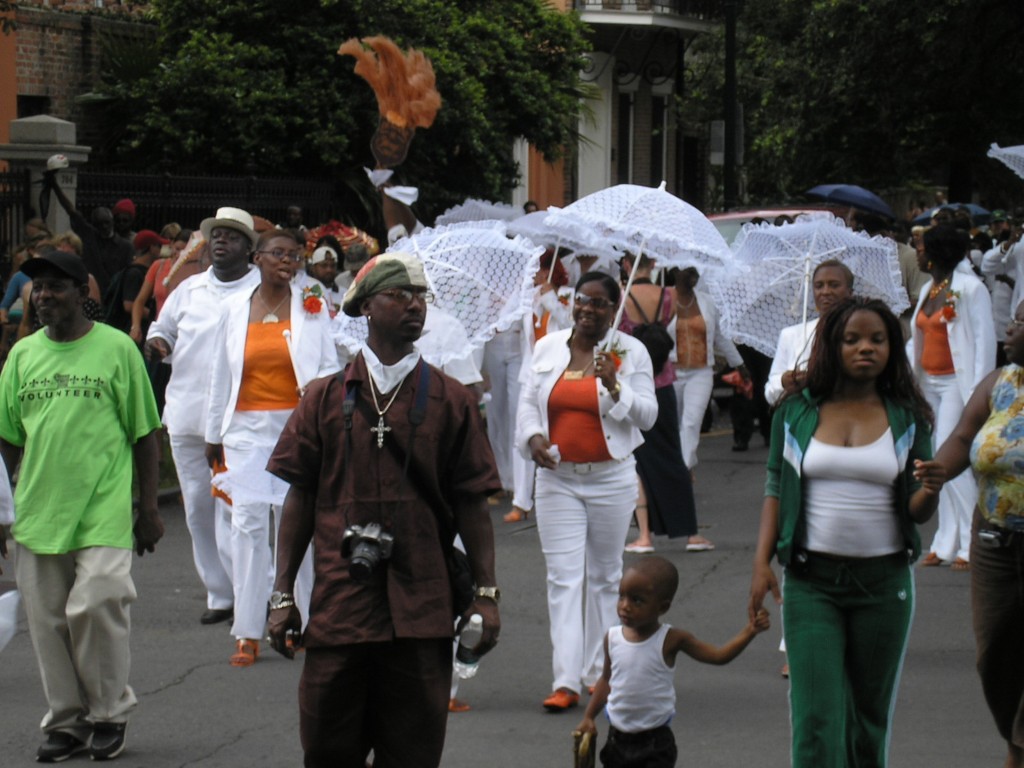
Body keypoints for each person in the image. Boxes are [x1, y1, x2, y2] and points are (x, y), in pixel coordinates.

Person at [265, 251, 501, 768]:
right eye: (400, 296)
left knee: (413, 754)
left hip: (423, 609)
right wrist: (282, 592)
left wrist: (485, 594)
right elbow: (299, 496)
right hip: (339, 608)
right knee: (327, 748)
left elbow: (472, 503)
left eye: (421, 298)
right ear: (367, 307)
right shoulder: (326, 398)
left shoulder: (451, 399)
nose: (415, 307)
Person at [749, 296, 945, 768]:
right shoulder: (794, 412)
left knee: (868, 717)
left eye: (878, 340)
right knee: (816, 717)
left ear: (892, 350)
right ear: (830, 346)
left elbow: (916, 512)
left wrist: (932, 489)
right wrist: (760, 563)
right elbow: (776, 482)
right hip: (811, 583)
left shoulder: (908, 416)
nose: (865, 349)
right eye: (852, 339)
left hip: (884, 584)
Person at [0, 248, 163, 762]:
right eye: (37, 287)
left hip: (103, 508)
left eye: (55, 287)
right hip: (38, 510)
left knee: (96, 603)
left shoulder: (117, 349)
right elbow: (6, 441)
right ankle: (67, 722)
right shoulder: (22, 356)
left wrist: (150, 508)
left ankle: (109, 713)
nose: (43, 296)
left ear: (82, 293)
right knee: (48, 623)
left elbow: (145, 432)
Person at [517, 272, 657, 711]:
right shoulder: (547, 347)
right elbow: (526, 403)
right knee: (563, 579)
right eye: (583, 300)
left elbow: (648, 417)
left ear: (614, 311)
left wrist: (616, 385)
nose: (588, 310)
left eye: (599, 304)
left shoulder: (630, 353)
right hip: (558, 480)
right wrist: (534, 437)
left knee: (604, 578)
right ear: (573, 303)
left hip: (610, 479)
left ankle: (600, 675)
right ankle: (565, 682)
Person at [204, 228, 339, 666]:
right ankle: (247, 630)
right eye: (278, 253)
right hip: (244, 428)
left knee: (295, 522)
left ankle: (300, 618)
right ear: (257, 258)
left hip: (295, 426)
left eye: (294, 255)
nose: (287, 261)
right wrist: (213, 435)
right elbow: (219, 376)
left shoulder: (312, 305)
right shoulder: (233, 308)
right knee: (247, 524)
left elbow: (329, 365)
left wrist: (315, 398)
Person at [145, 207, 262, 625]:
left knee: (236, 506)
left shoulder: (262, 291)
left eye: (231, 236)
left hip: (238, 417)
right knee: (196, 505)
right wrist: (157, 343)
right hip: (186, 412)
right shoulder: (190, 289)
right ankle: (219, 593)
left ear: (249, 248)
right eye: (216, 235)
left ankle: (249, 591)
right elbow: (164, 328)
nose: (220, 242)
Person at [931, 299, 1024, 768]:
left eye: (1022, 322)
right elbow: (964, 440)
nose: (1012, 327)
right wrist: (932, 474)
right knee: (994, 653)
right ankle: (1015, 740)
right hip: (993, 537)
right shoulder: (999, 383)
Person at [576, 557, 770, 768]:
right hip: (617, 740)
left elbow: (718, 656)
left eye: (637, 600)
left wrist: (750, 631)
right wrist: (589, 717)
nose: (625, 606)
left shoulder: (671, 640)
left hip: (655, 744)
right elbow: (606, 680)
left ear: (663, 607)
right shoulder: (613, 638)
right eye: (621, 596)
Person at [911, 225, 996, 570]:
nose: (916, 251)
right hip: (928, 384)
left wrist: (979, 394)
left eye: (921, 246)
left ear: (936, 254)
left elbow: (985, 344)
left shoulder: (970, 289)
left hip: (958, 387)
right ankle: (945, 541)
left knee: (951, 461)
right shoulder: (929, 288)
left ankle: (971, 544)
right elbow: (916, 340)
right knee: (934, 459)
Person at [617, 254, 698, 555]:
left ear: (626, 264)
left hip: (633, 382)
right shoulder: (669, 295)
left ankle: (645, 535)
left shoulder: (622, 295)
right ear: (653, 264)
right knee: (672, 454)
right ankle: (690, 532)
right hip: (664, 380)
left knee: (638, 459)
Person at [765, 260, 855, 406]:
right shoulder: (791, 335)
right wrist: (783, 382)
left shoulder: (860, 335)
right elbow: (770, 393)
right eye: (819, 286)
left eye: (834, 285)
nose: (825, 291)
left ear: (850, 292)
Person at [46, 173, 133, 296]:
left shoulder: (125, 247)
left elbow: (128, 275)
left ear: (112, 221)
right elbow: (71, 210)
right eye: (100, 224)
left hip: (113, 296)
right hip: (91, 291)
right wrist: (55, 187)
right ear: (94, 225)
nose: (104, 227)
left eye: (106, 223)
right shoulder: (90, 236)